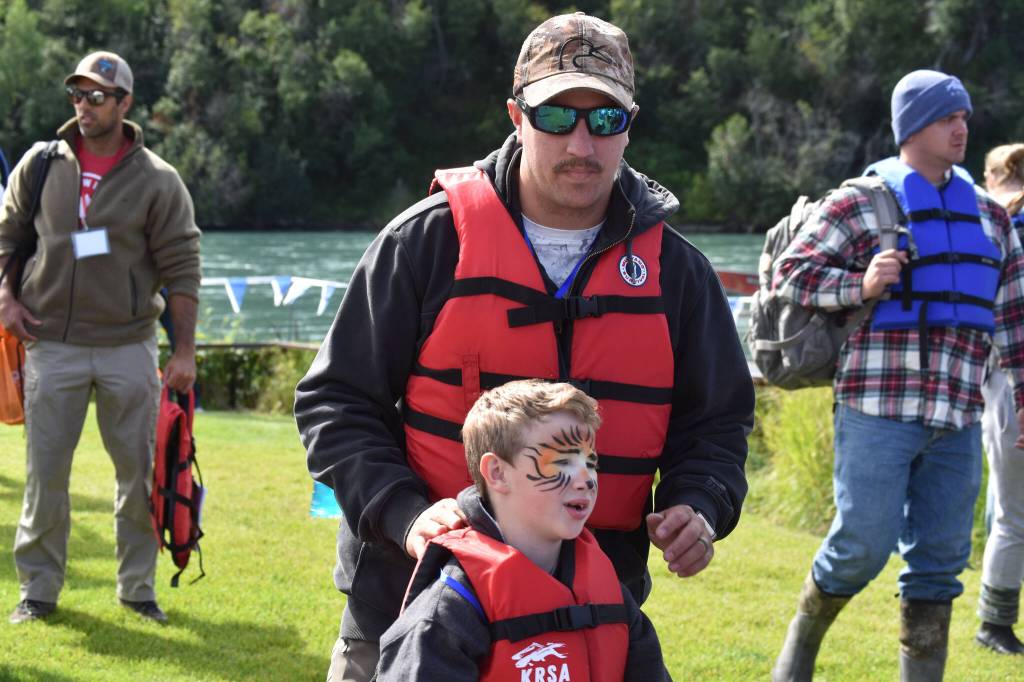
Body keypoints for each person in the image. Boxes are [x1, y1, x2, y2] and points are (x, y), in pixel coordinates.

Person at [295, 12, 753, 681]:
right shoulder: (426, 243)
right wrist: (409, 516)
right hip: (410, 604)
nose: (581, 142)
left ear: (630, 125)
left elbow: (717, 422)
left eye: (605, 121)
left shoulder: (678, 273)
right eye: (556, 115)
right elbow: (335, 402)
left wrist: (701, 502)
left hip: (592, 618)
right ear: (517, 115)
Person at [769, 70, 1024, 681]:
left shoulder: (991, 215)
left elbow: (1013, 313)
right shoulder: (862, 200)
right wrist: (858, 284)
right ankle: (798, 654)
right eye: (946, 118)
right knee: (861, 546)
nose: (961, 128)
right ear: (911, 128)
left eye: (963, 117)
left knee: (939, 562)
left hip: (959, 418)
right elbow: (790, 276)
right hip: (875, 409)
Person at [0, 51, 201, 624]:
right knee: (45, 478)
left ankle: (137, 590)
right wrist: (6, 300)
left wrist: (183, 351)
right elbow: (7, 237)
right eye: (77, 95)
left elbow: (183, 267)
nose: (84, 106)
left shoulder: (158, 180)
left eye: (96, 96)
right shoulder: (41, 164)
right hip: (51, 344)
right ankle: (38, 593)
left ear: (124, 104)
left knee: (139, 476)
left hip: (127, 346)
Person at [374, 379, 672, 681]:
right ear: (498, 473)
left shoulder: (609, 587)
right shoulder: (451, 608)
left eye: (590, 462)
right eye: (563, 461)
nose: (586, 479)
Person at [976, 142, 1024, 654]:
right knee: (1015, 513)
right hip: (1014, 376)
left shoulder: (993, 223)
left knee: (1009, 508)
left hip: (999, 375)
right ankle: (994, 623)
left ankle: (994, 619)